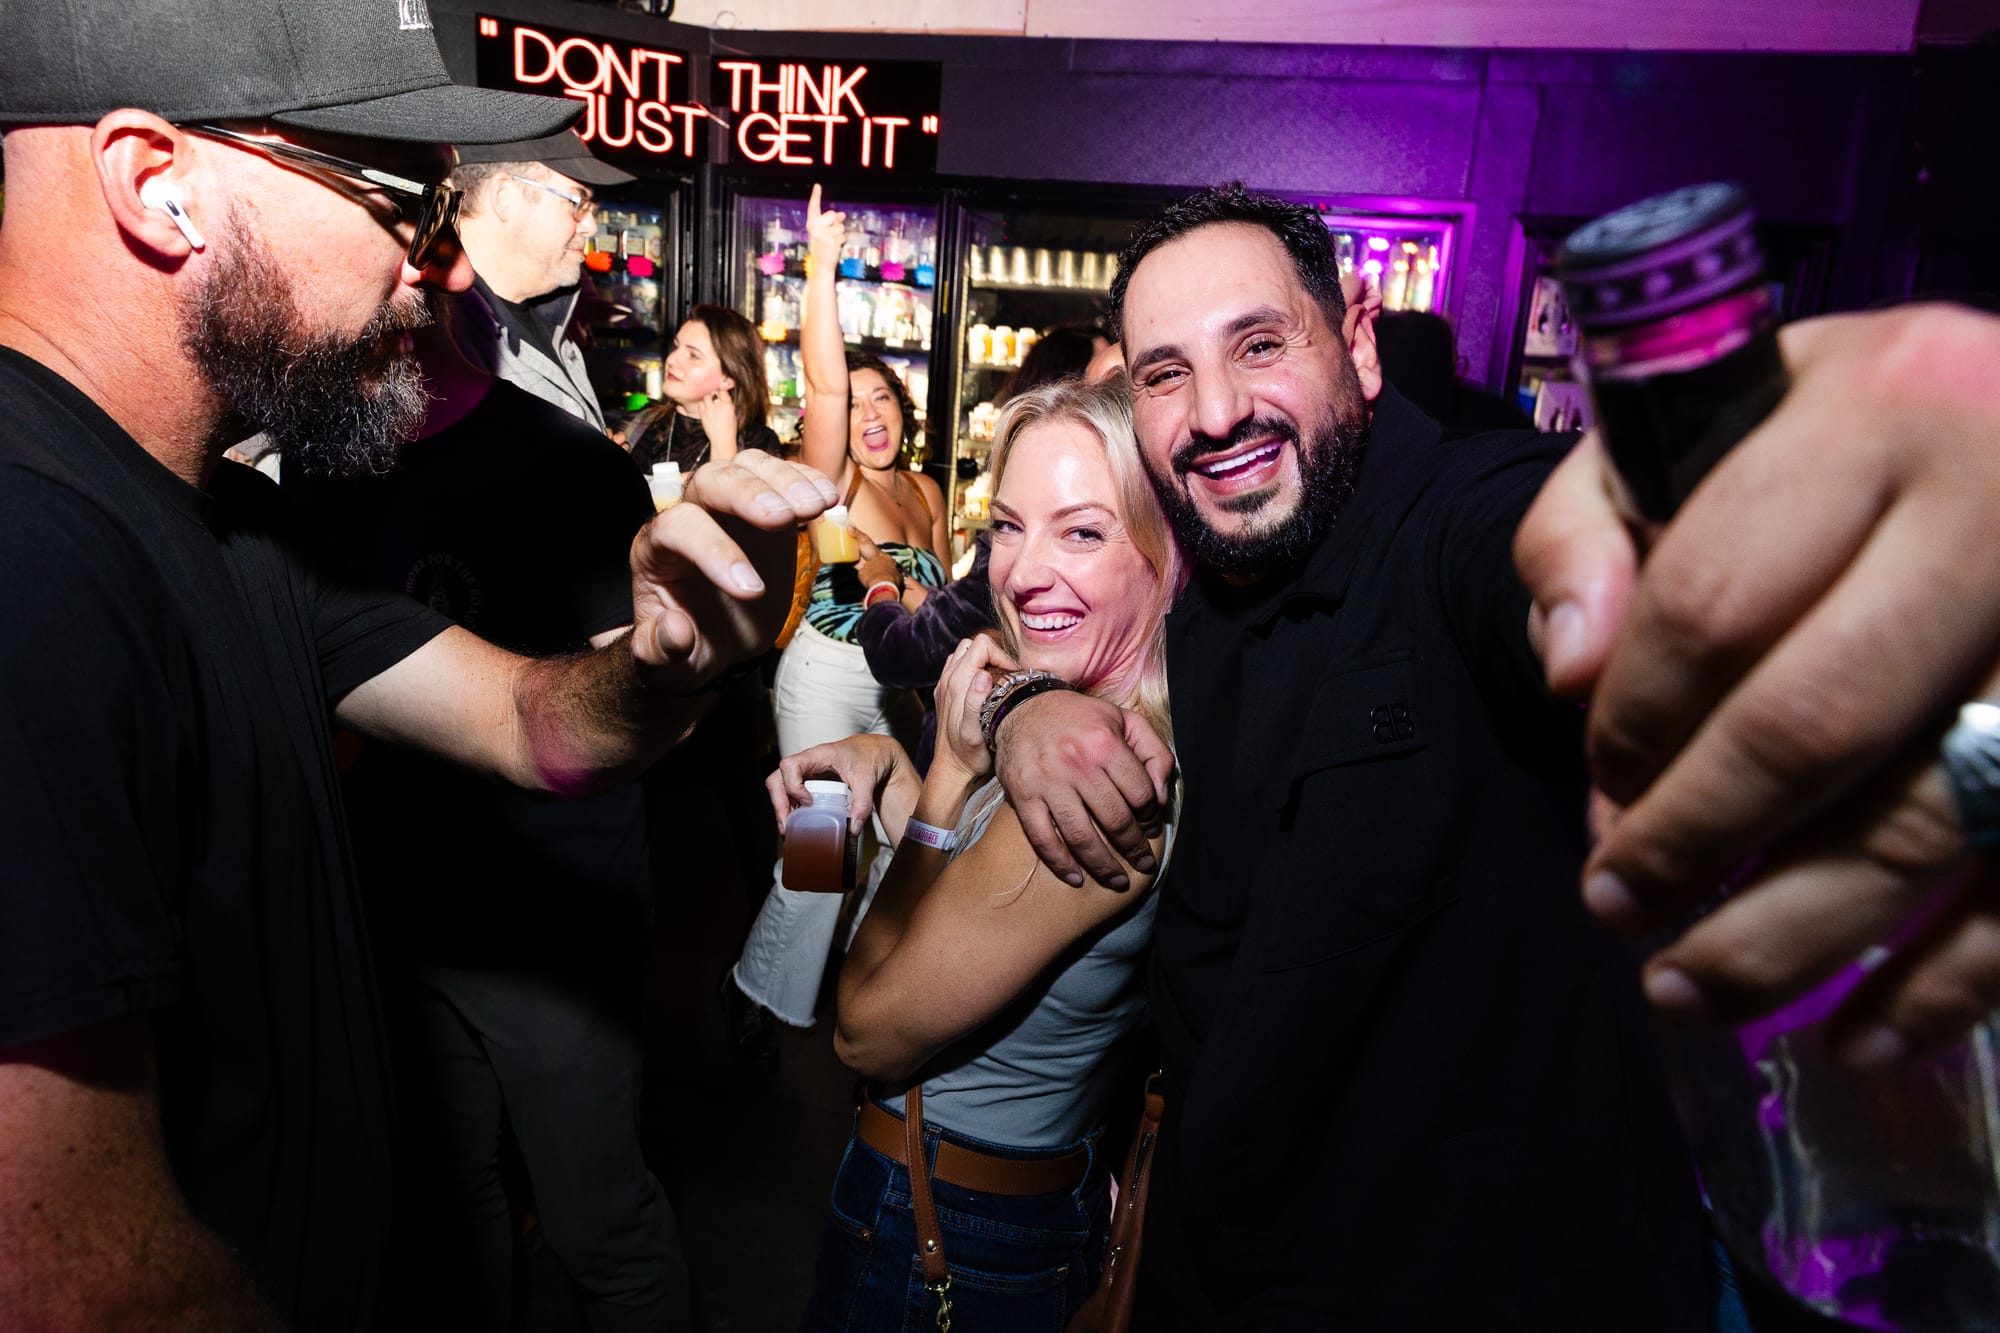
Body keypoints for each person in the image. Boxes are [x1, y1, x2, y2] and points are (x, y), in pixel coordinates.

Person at [0, 3, 833, 1326]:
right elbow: (78, 1286)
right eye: (399, 198)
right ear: (158, 186)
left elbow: (529, 722)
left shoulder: (233, 520)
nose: (424, 268)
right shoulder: (32, 553)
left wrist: (665, 660)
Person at [989, 186, 1706, 1328]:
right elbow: (953, 620)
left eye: (1260, 345)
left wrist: (1675, 564)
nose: (1216, 411)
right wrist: (1020, 700)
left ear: (1358, 345)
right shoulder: (1190, 564)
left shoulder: (1452, 519)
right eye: (1166, 374)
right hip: (1218, 1270)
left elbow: (1568, 554)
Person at [283, 309, 689, 1330]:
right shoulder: (326, 463)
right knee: (446, 1211)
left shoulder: (565, 465)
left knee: (594, 1216)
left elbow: (649, 719)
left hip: (547, 917)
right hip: (391, 903)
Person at [771, 375, 1179, 1331]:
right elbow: (970, 882)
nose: (1024, 571)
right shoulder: (1078, 710)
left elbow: (863, 1032)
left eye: (1082, 531)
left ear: (1163, 555)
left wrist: (947, 772)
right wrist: (885, 762)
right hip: (1004, 1199)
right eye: (1008, 525)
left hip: (943, 1221)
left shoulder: (1093, 780)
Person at [1512, 301, 2000, 1070]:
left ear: (1364, 339)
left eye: (1266, 343)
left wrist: (1588, 598)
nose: (1241, 408)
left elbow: (1504, 551)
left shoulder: (1435, 495)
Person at [726, 184, 951, 1035]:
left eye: (882, 398)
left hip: (896, 693)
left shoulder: (930, 491)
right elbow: (823, 386)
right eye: (854, 406)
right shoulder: (839, 485)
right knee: (820, 855)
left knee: (905, 849)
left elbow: (945, 601)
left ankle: (866, 992)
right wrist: (819, 267)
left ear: (904, 408)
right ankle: (754, 997)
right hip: (825, 678)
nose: (867, 413)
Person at [448, 129, 634, 433]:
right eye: (577, 202)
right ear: (504, 197)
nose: (591, 226)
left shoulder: (555, 322)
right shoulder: (442, 343)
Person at [628, 303, 784, 472]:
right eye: (676, 346)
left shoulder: (757, 444)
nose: (672, 360)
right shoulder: (642, 424)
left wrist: (723, 446)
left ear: (727, 379)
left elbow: (728, 497)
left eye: (693, 355)